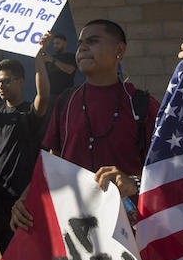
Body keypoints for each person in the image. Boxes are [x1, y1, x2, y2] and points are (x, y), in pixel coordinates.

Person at [10, 20, 159, 232]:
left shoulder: (142, 103)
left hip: (127, 228)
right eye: (80, 44)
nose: (82, 48)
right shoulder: (65, 101)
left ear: (119, 50)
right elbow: (52, 160)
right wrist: (26, 199)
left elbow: (168, 169)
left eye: (93, 41)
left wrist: (133, 183)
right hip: (74, 227)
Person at [0, 33, 52, 254]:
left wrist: (38, 58)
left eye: (6, 81)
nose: (1, 86)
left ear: (21, 81)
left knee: (15, 258)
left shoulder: (29, 112)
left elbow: (44, 97)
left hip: (19, 202)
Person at [43, 33, 77, 101]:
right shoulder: (50, 57)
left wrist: (52, 60)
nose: (55, 46)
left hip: (66, 95)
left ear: (65, 43)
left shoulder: (71, 56)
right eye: (54, 44)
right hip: (50, 95)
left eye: (58, 43)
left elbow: (70, 70)